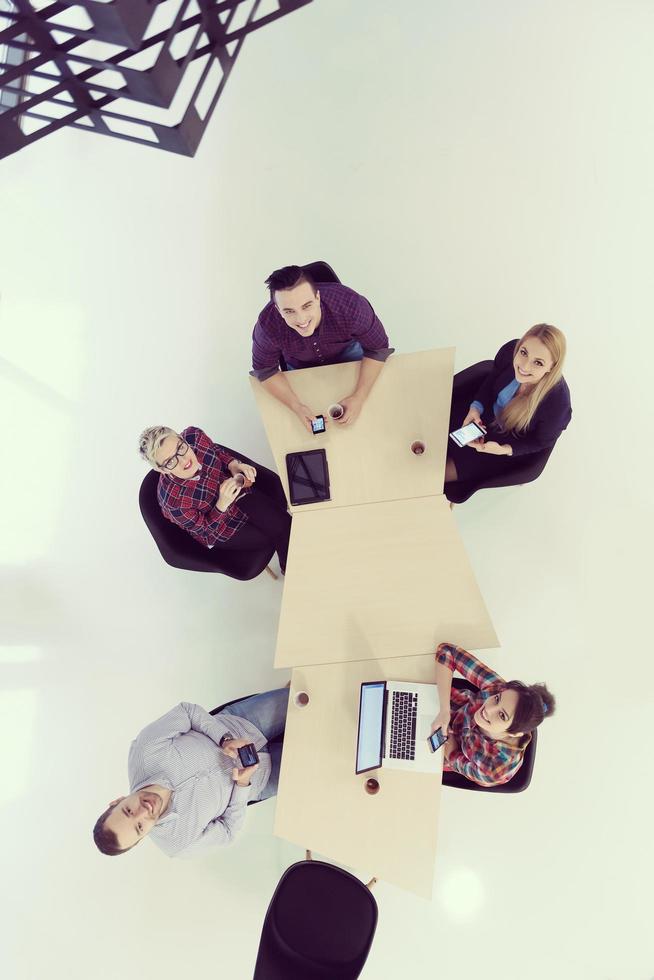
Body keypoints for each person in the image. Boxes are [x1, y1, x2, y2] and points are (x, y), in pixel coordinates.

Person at [92, 689, 289, 857]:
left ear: (117, 801)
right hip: (264, 777)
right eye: (140, 827)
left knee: (310, 695)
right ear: (141, 839)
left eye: (128, 810)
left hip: (243, 724)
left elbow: (187, 712)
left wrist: (225, 739)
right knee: (318, 760)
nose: (144, 811)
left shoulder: (144, 752)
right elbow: (228, 832)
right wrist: (242, 785)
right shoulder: (179, 844)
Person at [250, 264, 394, 431]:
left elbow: (377, 349)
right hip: (300, 363)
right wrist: (297, 407)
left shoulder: (351, 305)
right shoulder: (267, 324)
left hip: (347, 352)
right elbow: (265, 370)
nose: (301, 319)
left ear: (317, 297)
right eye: (289, 311)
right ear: (277, 309)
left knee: (372, 415)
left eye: (306, 306)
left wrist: (359, 397)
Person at [139, 425, 291, 573]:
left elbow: (216, 451)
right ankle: (290, 570)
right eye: (170, 461)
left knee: (284, 525)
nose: (184, 460)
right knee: (270, 537)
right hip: (222, 526)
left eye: (180, 448)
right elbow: (205, 531)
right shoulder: (174, 503)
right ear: (161, 469)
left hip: (238, 493)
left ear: (182, 438)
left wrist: (233, 464)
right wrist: (222, 504)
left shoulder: (194, 437)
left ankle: (289, 565)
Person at [444, 324, 571, 486]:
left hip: (506, 442)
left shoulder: (557, 404)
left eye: (538, 363)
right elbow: (490, 382)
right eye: (523, 352)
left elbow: (540, 442)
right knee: (428, 444)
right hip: (483, 417)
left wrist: (504, 449)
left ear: (551, 367)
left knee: (435, 476)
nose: (525, 366)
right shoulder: (509, 352)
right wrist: (475, 408)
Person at [430, 642, 555, 787]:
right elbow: (447, 651)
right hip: (441, 703)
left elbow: (452, 756)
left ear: (514, 734)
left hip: (440, 748)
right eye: (497, 699)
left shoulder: (497, 769)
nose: (488, 710)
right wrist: (444, 710)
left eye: (502, 715)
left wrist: (444, 736)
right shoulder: (498, 688)